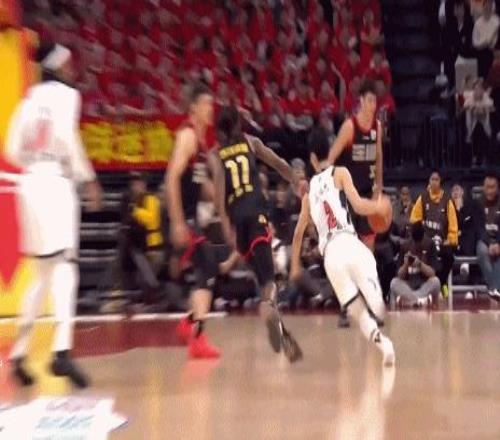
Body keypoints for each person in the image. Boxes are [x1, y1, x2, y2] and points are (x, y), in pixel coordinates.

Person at [4, 43, 102, 388]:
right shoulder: (68, 96)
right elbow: (67, 138)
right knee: (65, 269)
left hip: (29, 183)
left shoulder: (28, 100)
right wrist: (88, 178)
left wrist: (34, 162)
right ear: (58, 67)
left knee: (42, 274)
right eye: (69, 64)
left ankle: (19, 354)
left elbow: (11, 149)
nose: (72, 70)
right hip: (56, 184)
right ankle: (61, 352)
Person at [209, 106, 302, 358]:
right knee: (270, 281)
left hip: (237, 222)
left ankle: (279, 329)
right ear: (238, 124)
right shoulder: (251, 142)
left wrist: (226, 227)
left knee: (261, 280)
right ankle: (269, 309)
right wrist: (296, 180)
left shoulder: (216, 154)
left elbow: (218, 197)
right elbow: (278, 163)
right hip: (256, 213)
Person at [290, 163, 395, 366]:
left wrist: (294, 266)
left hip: (331, 256)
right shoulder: (340, 172)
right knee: (373, 289)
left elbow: (297, 236)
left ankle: (385, 346)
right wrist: (378, 206)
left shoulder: (307, 198)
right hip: (348, 242)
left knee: (357, 312)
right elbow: (359, 206)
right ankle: (375, 302)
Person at [165, 82, 220, 359]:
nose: (211, 109)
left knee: (206, 267)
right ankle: (196, 335)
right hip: (180, 215)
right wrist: (177, 222)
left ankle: (189, 323)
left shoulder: (201, 143)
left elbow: (202, 186)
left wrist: (225, 199)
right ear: (194, 108)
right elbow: (171, 177)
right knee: (208, 265)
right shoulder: (187, 136)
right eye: (206, 104)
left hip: (190, 215)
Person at [327, 78, 384, 327]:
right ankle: (345, 307)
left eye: (375, 101)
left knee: (368, 254)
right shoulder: (349, 127)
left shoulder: (377, 126)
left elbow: (379, 158)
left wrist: (379, 189)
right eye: (369, 100)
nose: (372, 105)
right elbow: (331, 158)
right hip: (348, 197)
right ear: (360, 101)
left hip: (367, 195)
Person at [410, 169, 458, 297]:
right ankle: (424, 288)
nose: (434, 182)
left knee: (449, 256)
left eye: (437, 179)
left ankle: (442, 284)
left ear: (440, 182)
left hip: (442, 241)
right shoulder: (423, 198)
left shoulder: (447, 200)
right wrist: (421, 237)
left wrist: (450, 239)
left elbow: (453, 224)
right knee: (421, 254)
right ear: (429, 181)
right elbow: (415, 220)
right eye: (432, 179)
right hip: (426, 241)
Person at [390, 222, 441, 308]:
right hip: (408, 285)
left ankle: (410, 300)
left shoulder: (430, 244)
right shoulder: (405, 245)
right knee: (394, 283)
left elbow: (432, 273)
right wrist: (406, 265)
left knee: (436, 281)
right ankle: (419, 300)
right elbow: (399, 275)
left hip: (423, 284)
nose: (417, 245)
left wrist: (420, 264)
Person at [476, 171, 500, 299]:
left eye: (492, 187)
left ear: (498, 188)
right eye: (487, 187)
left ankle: (494, 288)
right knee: (482, 250)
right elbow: (478, 229)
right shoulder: (477, 203)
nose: (489, 191)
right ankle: (495, 287)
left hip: (498, 239)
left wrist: (498, 244)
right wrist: (490, 243)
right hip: (484, 240)